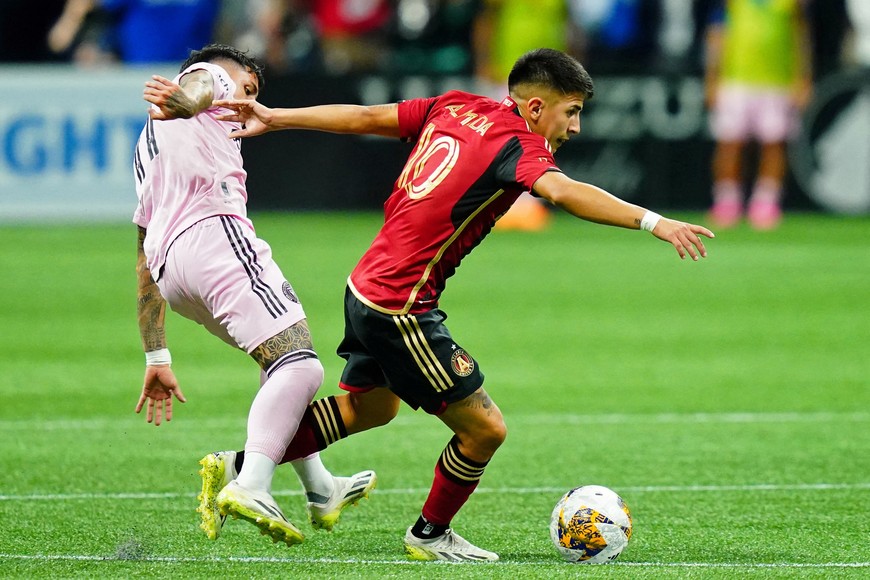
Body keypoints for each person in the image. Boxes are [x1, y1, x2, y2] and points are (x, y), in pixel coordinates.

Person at [213, 48, 714, 562]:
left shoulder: (454, 106)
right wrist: (655, 222)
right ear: (537, 108)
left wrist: (276, 118)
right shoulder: (518, 144)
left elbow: (366, 117)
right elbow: (562, 193)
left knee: (372, 408)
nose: (577, 127)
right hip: (399, 306)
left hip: (363, 284)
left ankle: (241, 466)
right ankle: (429, 535)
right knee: (485, 429)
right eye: (572, 111)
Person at [133, 43, 376, 547]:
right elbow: (202, 88)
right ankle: (251, 483)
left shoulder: (149, 146)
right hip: (215, 237)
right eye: (251, 86)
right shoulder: (210, 78)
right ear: (234, 74)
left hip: (171, 273)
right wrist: (187, 100)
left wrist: (156, 351)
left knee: (275, 361)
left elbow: (141, 252)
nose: (249, 99)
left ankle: (321, 487)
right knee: (301, 366)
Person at [704, 0, 813, 230]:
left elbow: (800, 36)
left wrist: (802, 77)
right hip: (735, 81)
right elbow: (716, 34)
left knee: (774, 144)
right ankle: (727, 201)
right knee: (729, 143)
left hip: (777, 83)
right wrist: (712, 78)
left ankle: (766, 202)